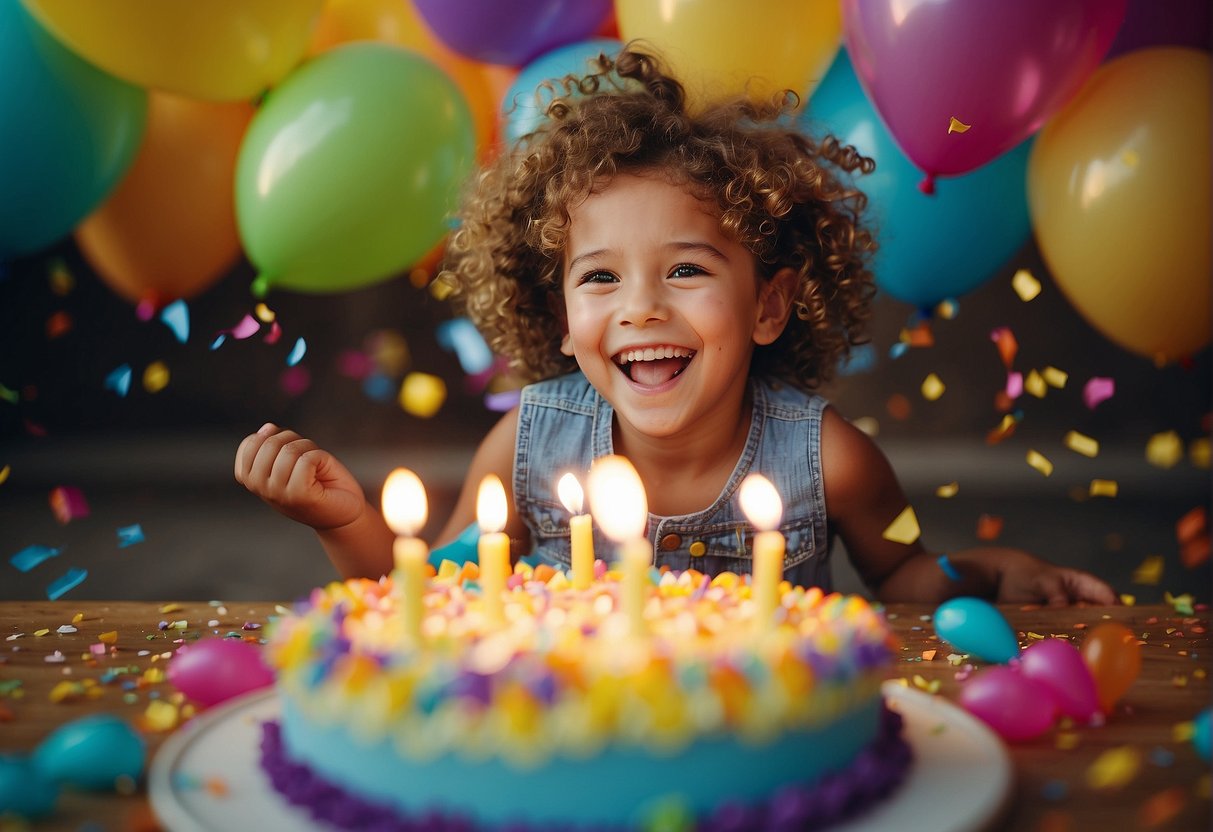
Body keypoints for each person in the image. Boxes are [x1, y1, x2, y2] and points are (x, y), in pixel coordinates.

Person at [235, 47, 1115, 606]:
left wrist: (994, 575)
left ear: (768, 304)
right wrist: (343, 522)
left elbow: (904, 573)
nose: (640, 307)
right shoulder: (526, 447)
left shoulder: (832, 460)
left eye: (686, 270)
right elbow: (420, 595)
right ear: (560, 313)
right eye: (600, 278)